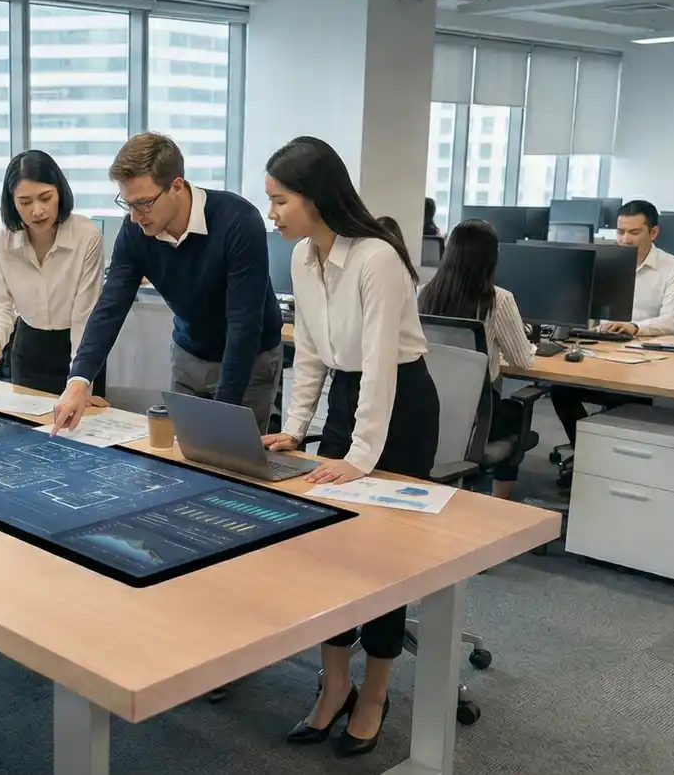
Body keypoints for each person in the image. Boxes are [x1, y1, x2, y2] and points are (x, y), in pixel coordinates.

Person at [256, 136, 436, 758]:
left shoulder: (376, 258)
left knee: (381, 560)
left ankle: (376, 693)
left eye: (280, 200)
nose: (272, 213)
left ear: (316, 196)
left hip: (401, 408)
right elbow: (307, 350)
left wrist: (359, 458)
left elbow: (383, 366)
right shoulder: (304, 257)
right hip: (348, 400)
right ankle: (334, 688)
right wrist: (297, 427)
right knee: (329, 549)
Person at [50, 132, 283, 435]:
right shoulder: (135, 231)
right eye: (127, 203)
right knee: (184, 451)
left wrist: (224, 415)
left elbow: (244, 323)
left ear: (176, 185)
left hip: (249, 358)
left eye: (144, 203)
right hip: (189, 353)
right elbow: (110, 307)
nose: (134, 217)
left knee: (232, 457)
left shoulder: (237, 220)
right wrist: (78, 381)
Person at [549, 200, 674, 471]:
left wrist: (635, 327)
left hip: (644, 357)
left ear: (654, 233)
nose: (625, 240)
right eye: (620, 232)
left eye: (634, 233)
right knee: (560, 388)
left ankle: (612, 464)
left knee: (626, 399)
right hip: (599, 348)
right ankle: (588, 454)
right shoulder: (603, 262)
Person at [416, 219, 537, 499]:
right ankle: (499, 503)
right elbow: (522, 361)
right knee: (515, 412)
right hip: (478, 418)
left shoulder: (423, 293)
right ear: (491, 257)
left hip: (426, 409)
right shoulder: (498, 299)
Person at [0, 151, 108, 394]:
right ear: (12, 203)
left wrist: (80, 383)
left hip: (80, 350)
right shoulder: (1, 242)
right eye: (25, 202)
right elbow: (1, 307)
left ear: (60, 193)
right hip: (29, 350)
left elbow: (84, 317)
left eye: (46, 198)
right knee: (25, 427)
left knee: (83, 429)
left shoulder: (86, 236)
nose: (37, 211)